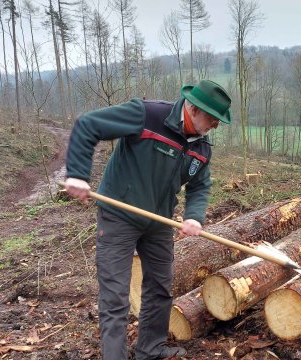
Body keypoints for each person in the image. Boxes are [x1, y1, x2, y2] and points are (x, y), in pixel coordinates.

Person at [63, 80, 231, 359]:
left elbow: (200, 186)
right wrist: (78, 173)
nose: (214, 126)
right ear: (192, 108)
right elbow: (88, 124)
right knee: (115, 296)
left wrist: (194, 217)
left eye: (217, 122)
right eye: (212, 119)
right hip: (119, 215)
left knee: (160, 289)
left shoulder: (202, 148)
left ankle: (150, 349)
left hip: (159, 222)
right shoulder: (146, 115)